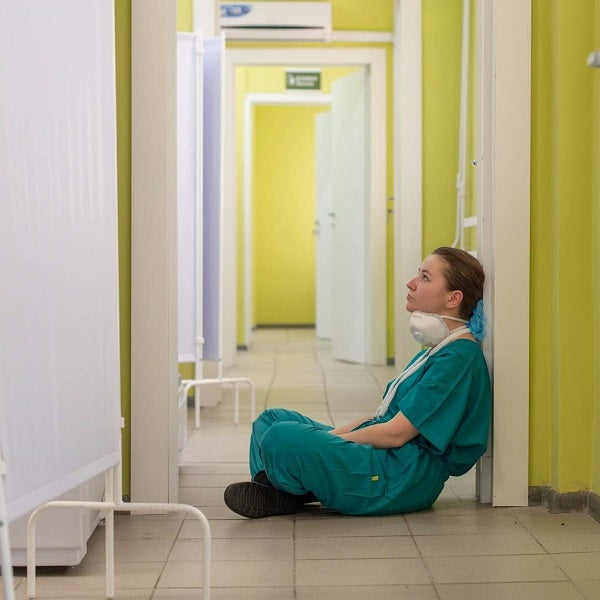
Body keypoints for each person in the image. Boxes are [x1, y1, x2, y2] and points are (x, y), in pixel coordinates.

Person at [224, 247, 491, 518]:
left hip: (401, 477)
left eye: (425, 277)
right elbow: (379, 418)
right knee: (269, 421)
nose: (411, 283)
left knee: (281, 437)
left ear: (453, 298)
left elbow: (395, 434)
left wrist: (326, 445)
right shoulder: (438, 350)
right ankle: (286, 492)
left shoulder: (457, 359)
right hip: (388, 459)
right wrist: (323, 443)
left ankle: (285, 490)